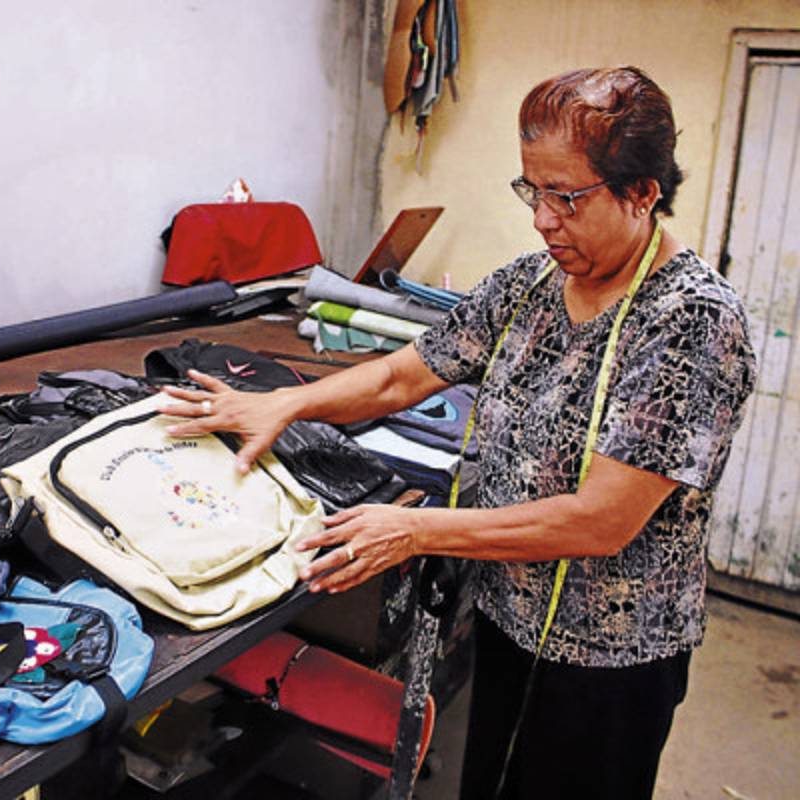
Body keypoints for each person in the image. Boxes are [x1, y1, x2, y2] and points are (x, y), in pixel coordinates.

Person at [161, 66, 757, 800]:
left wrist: (415, 532)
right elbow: (399, 379)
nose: (542, 219)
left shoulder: (690, 324)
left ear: (643, 192)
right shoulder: (528, 286)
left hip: (609, 661)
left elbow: (603, 520)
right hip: (512, 618)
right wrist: (284, 405)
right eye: (531, 190)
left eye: (566, 197)